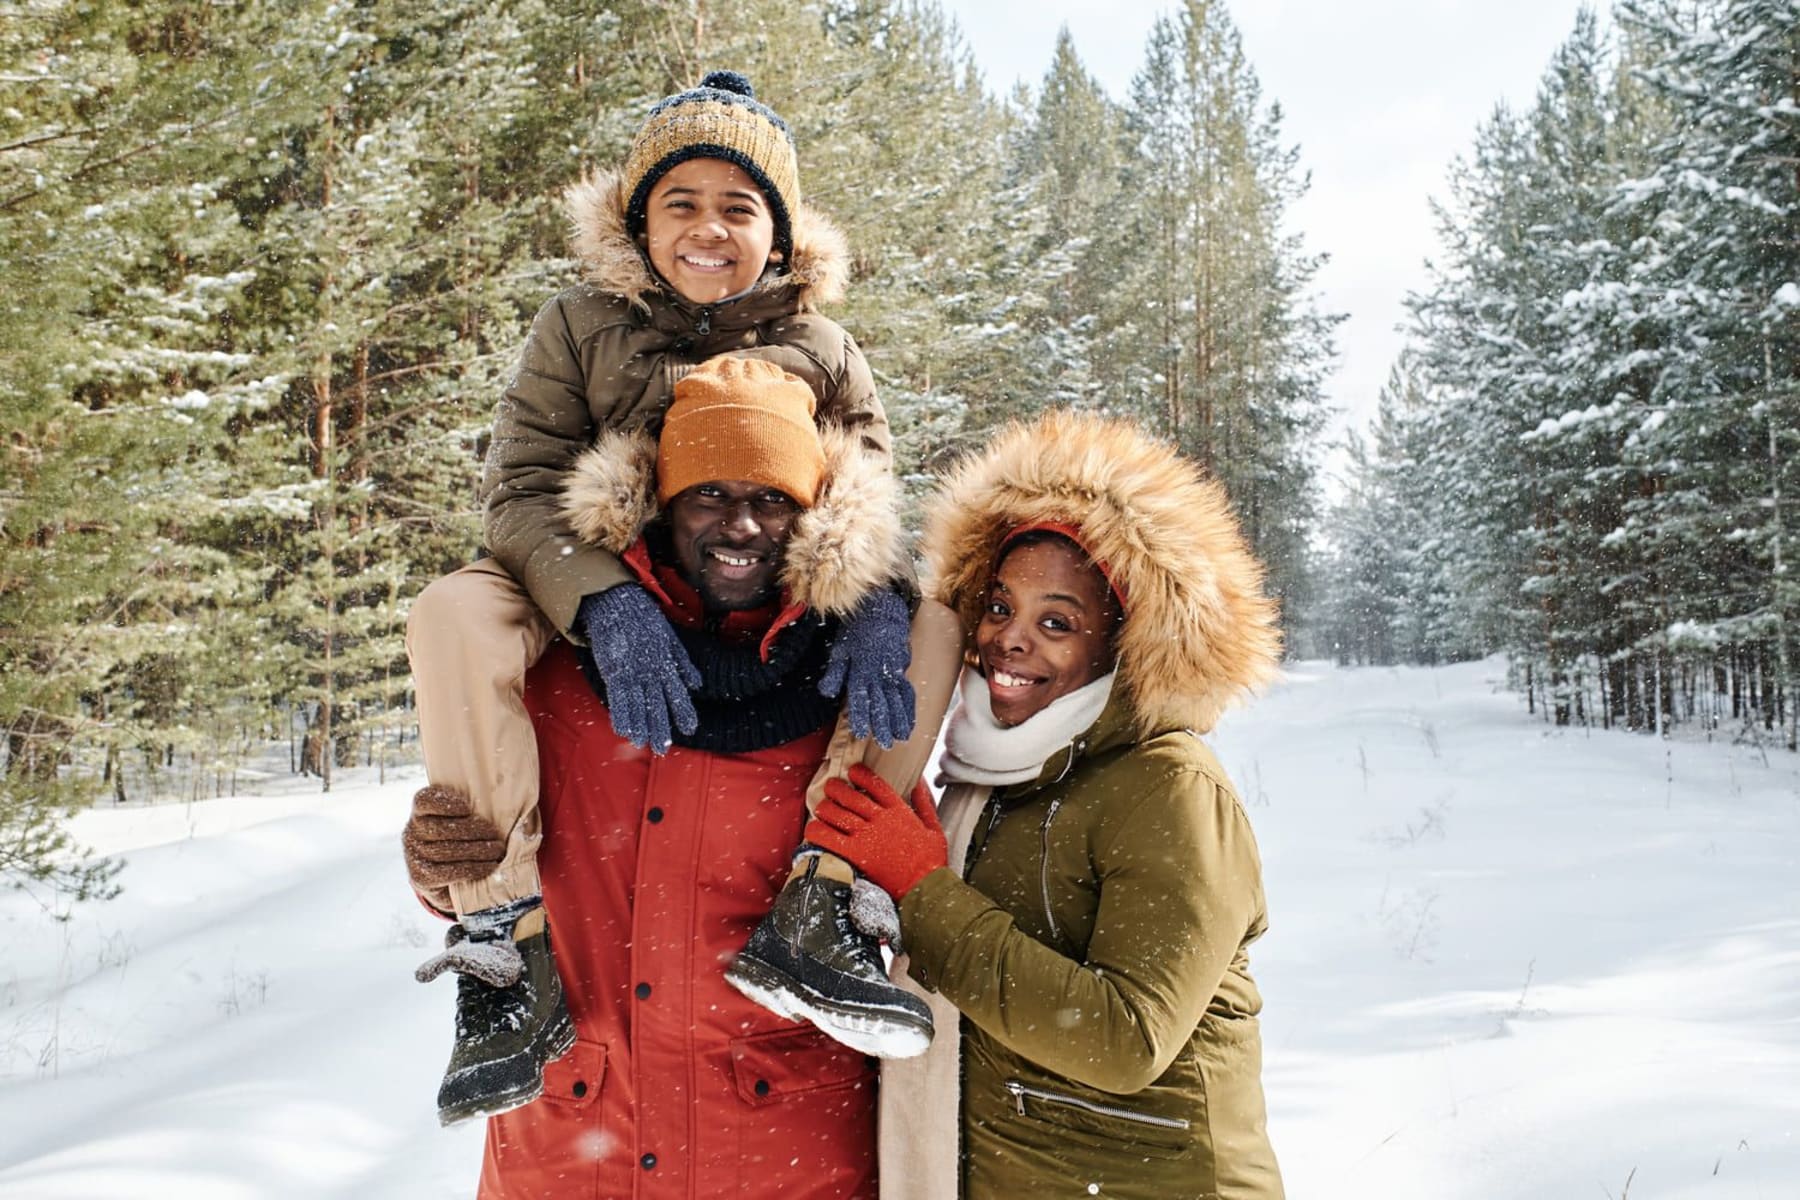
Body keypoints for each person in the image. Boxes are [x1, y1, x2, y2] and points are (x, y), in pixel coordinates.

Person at [402, 71, 946, 1125]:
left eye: (739, 208)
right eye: (680, 204)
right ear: (637, 221)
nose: (709, 229)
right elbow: (517, 489)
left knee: (930, 622)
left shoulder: (826, 348)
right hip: (598, 578)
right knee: (453, 613)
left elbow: (871, 489)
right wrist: (603, 601)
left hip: (767, 582)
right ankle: (497, 940)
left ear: (779, 235)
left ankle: (826, 899)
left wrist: (874, 592)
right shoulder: (577, 326)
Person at [411, 357, 958, 1196]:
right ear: (661, 506)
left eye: (773, 499)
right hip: (575, 1145)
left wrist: (903, 864)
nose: (741, 525)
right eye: (709, 494)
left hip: (781, 1152)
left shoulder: (856, 688)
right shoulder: (556, 671)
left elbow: (906, 879)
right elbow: (499, 827)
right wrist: (442, 864)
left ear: (814, 516)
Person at [806, 410, 1288, 1199]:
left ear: (1125, 640)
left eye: (1056, 622)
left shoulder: (1168, 787)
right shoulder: (987, 774)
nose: (1010, 640)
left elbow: (1125, 1038)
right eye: (998, 608)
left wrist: (925, 893)